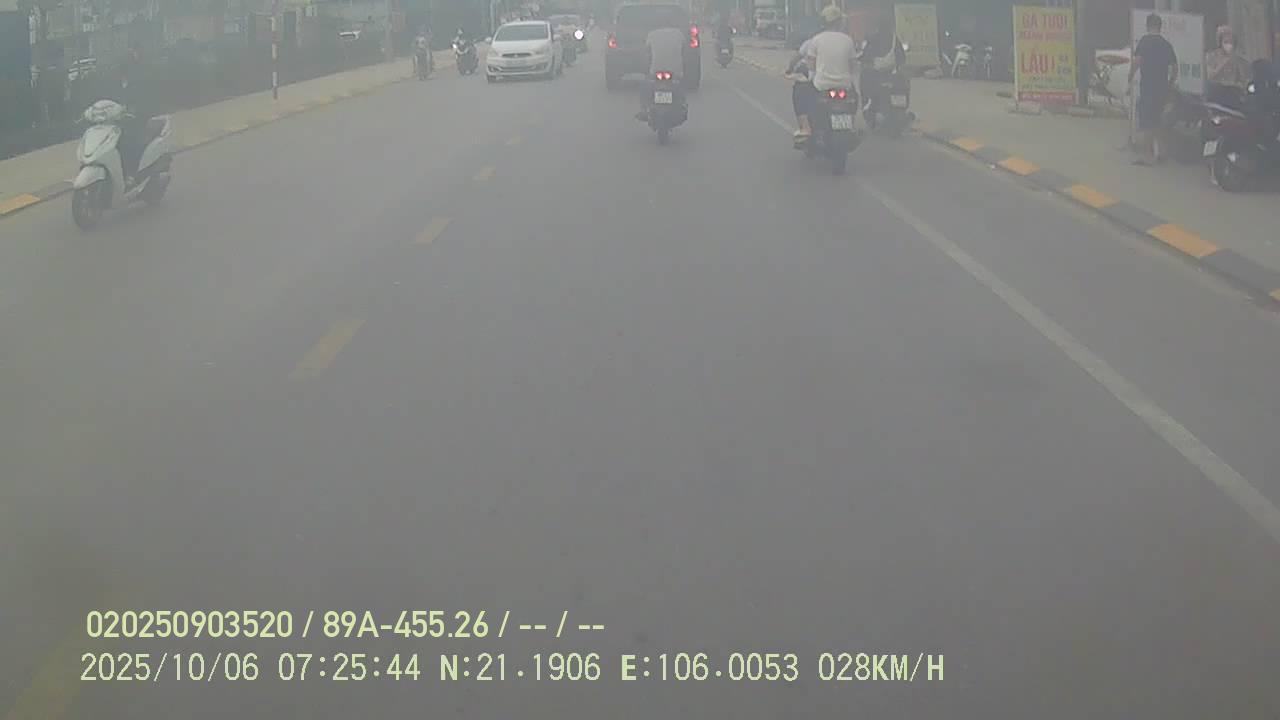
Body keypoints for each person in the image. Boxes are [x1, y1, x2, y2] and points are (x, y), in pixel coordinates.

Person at [788, 5, 856, 142]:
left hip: (821, 85)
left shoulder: (816, 40)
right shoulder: (848, 40)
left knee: (799, 91)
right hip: (845, 86)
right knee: (855, 96)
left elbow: (811, 66)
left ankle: (805, 128)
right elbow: (852, 66)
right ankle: (851, 124)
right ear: (840, 22)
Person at [1128, 13, 1177, 165]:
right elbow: (1175, 68)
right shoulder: (1166, 44)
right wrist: (1170, 83)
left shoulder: (1144, 42)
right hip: (1162, 87)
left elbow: (1137, 61)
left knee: (1146, 122)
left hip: (1147, 87)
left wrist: (1130, 76)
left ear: (1148, 25)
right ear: (1160, 26)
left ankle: (1145, 156)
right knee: (1158, 121)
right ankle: (1161, 153)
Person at [635, 23, 687, 120]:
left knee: (644, 87)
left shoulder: (651, 34)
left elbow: (646, 52)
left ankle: (644, 110)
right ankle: (682, 106)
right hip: (675, 71)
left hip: (656, 70)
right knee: (680, 88)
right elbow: (684, 51)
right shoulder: (679, 33)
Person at [1205, 25, 1249, 94]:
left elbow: (1243, 80)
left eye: (1231, 42)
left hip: (1233, 92)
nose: (1229, 45)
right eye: (1226, 42)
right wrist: (1224, 61)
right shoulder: (1211, 56)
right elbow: (1210, 76)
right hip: (1216, 92)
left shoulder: (1237, 59)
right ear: (1220, 43)